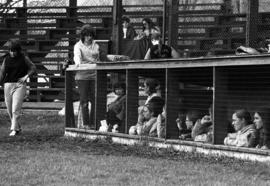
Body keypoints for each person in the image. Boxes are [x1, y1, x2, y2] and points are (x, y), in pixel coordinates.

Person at [0, 39, 36, 136]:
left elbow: (33, 68)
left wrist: (26, 77)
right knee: (9, 109)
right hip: (8, 85)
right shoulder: (6, 59)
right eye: (10, 50)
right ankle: (18, 128)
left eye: (14, 51)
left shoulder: (24, 58)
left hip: (19, 85)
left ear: (18, 50)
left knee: (15, 108)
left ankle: (13, 129)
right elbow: (2, 72)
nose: (12, 52)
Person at [74, 24, 100, 128]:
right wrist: (78, 64)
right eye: (87, 35)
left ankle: (93, 123)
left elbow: (99, 57)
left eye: (91, 35)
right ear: (83, 36)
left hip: (94, 75)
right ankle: (85, 124)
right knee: (84, 100)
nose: (89, 38)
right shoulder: (78, 46)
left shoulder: (96, 45)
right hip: (82, 76)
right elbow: (77, 56)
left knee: (95, 99)